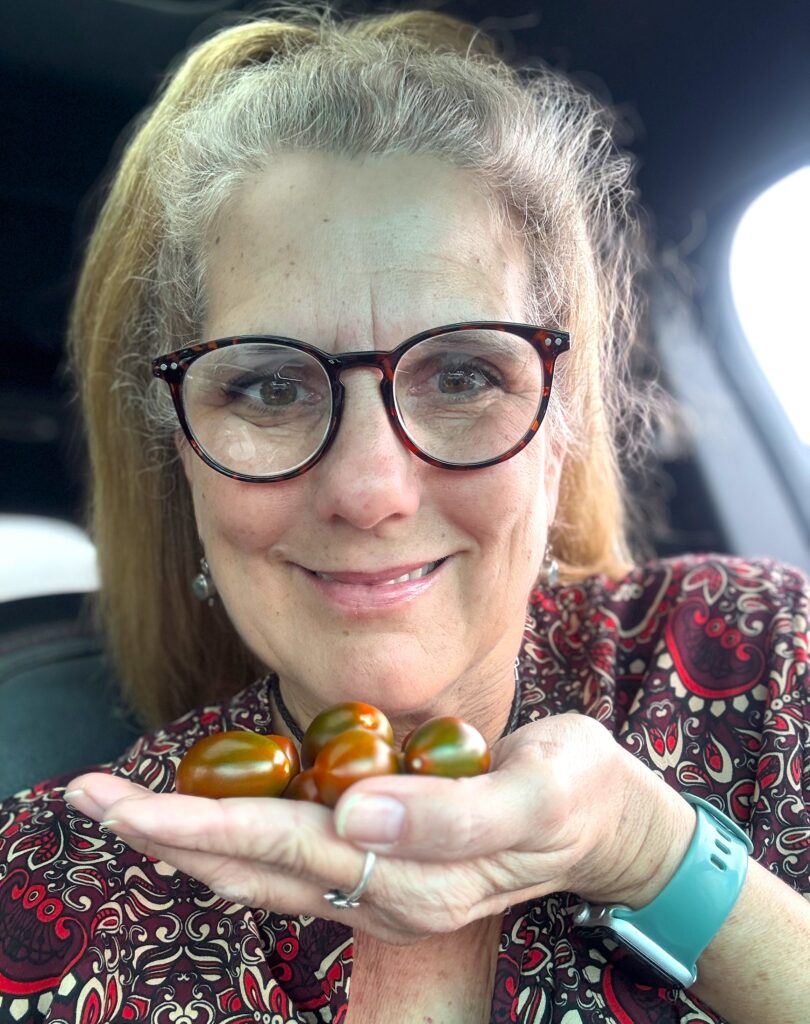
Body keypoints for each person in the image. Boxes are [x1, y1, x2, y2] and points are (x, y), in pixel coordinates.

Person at [0, 6, 807, 1023]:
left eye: (464, 372)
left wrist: (647, 848)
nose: (372, 490)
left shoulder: (766, 664)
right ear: (181, 454)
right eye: (266, 389)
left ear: (560, 424)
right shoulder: (51, 884)